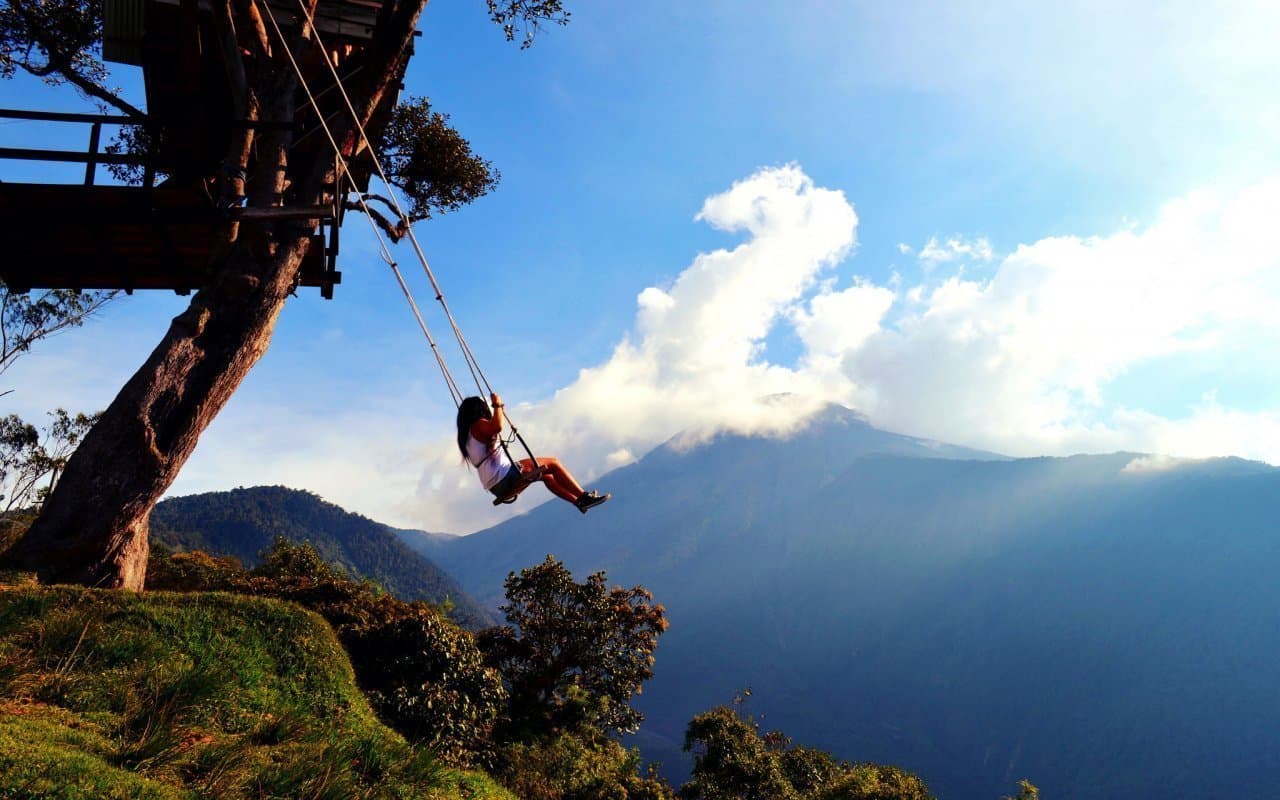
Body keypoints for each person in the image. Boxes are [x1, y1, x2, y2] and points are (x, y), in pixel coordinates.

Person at [456, 392, 610, 513]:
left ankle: (578, 502)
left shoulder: (466, 438)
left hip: (495, 487)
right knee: (553, 463)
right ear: (479, 411)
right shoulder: (478, 425)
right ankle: (584, 496)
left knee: (548, 477)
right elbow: (497, 426)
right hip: (504, 477)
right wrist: (497, 404)